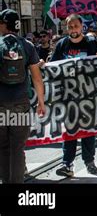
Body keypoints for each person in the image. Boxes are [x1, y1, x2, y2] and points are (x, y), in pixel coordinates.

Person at [49, 14, 97, 177]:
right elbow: (53, 67)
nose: (73, 29)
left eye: (75, 26)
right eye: (70, 26)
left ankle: (89, 161)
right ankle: (67, 164)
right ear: (66, 28)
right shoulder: (61, 45)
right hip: (69, 95)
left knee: (88, 130)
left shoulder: (91, 43)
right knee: (70, 130)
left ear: (82, 27)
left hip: (88, 94)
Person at [0, 10, 45, 183]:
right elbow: (37, 78)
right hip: (20, 103)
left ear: (3, 24)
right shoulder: (27, 45)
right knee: (17, 148)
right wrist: (41, 102)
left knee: (3, 147)